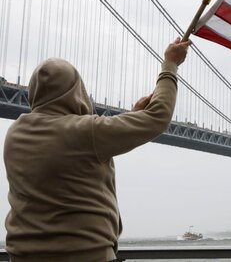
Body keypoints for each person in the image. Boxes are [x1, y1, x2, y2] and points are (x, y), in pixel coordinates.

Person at [3, 38, 191, 262]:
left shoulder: (14, 134)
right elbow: (157, 118)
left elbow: (71, 149)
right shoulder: (86, 132)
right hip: (86, 255)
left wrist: (130, 117)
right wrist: (170, 65)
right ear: (76, 90)